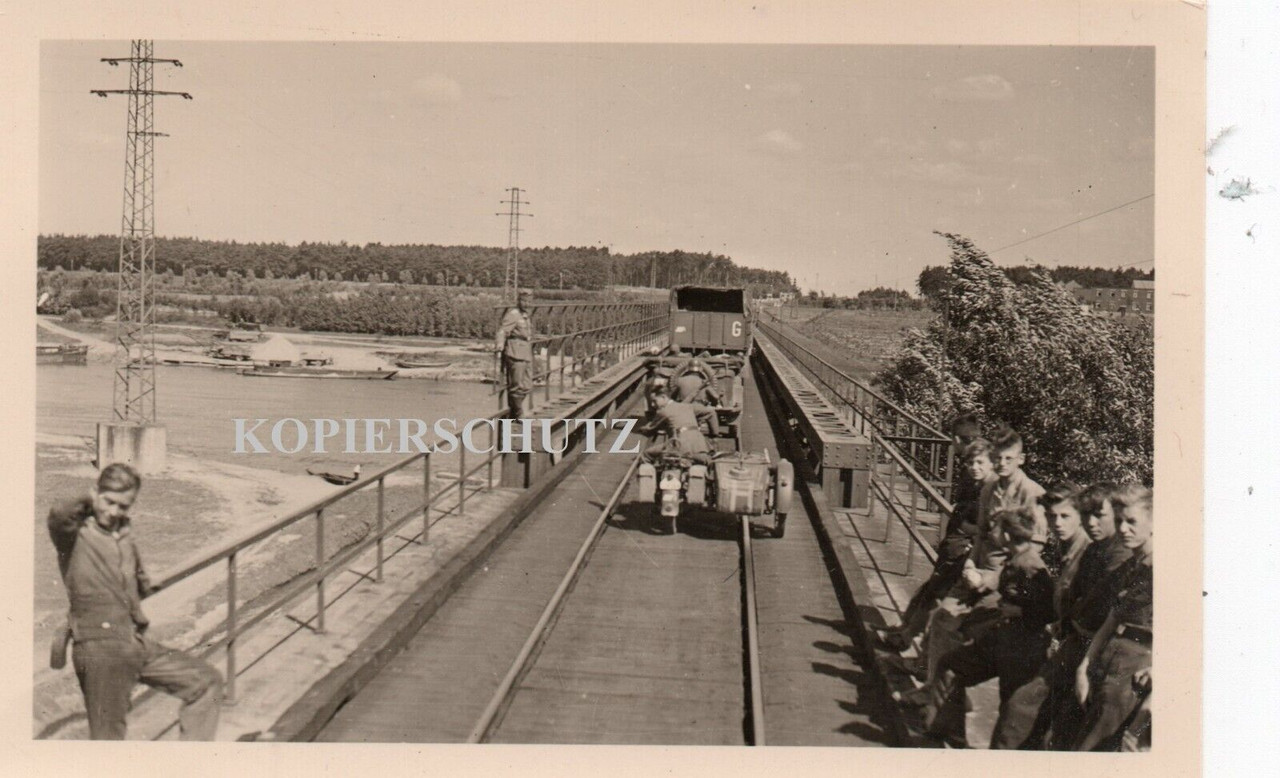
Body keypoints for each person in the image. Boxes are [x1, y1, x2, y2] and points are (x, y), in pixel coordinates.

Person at [47, 463, 223, 740]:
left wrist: (143, 584)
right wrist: (88, 498)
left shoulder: (123, 535)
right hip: (99, 650)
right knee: (109, 740)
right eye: (109, 502)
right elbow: (59, 513)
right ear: (95, 494)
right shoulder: (74, 536)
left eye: (124, 506)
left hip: (134, 643)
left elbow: (130, 580)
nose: (114, 512)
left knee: (206, 683)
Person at [899, 506, 1055, 748]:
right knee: (951, 665)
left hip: (1023, 646)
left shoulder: (1031, 565)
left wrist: (1019, 610)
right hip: (1005, 637)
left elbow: (1050, 611)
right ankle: (945, 730)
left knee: (1011, 708)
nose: (990, 533)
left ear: (1005, 535)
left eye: (996, 529)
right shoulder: (1016, 560)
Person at [988, 481, 1092, 749]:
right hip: (1063, 642)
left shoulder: (1087, 552)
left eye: (1065, 516)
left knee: (1020, 709)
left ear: (1081, 516)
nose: (1057, 523)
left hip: (1080, 650)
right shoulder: (1067, 549)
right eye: (1051, 516)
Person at [877, 436, 994, 652]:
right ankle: (906, 633)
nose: (974, 468)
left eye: (980, 463)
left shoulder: (991, 490)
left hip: (967, 554)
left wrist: (967, 533)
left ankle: (908, 639)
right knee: (931, 592)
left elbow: (987, 528)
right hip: (956, 549)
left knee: (937, 598)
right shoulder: (977, 485)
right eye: (970, 463)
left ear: (991, 463)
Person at [1073, 484, 1153, 751]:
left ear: (1154, 522)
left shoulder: (1164, 567)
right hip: (1108, 658)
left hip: (1135, 668)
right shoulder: (1132, 565)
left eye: (1132, 522)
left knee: (1092, 749)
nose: (1122, 529)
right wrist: (1083, 668)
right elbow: (1111, 620)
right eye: (1119, 521)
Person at [640, 387, 719, 462]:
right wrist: (714, 436)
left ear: (663, 397)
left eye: (654, 401)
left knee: (646, 454)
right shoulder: (687, 406)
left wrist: (641, 429)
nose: (653, 405)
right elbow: (711, 412)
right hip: (700, 445)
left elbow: (649, 430)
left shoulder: (663, 412)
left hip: (679, 445)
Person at [495, 290, 534, 418]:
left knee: (527, 385)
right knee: (516, 385)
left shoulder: (525, 314)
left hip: (525, 352)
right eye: (524, 301)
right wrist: (499, 346)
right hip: (515, 353)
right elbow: (502, 331)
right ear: (519, 300)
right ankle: (518, 413)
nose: (526, 303)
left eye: (528, 301)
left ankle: (515, 410)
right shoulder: (513, 314)